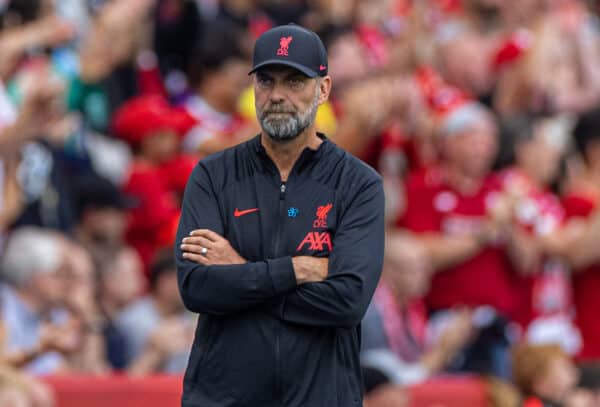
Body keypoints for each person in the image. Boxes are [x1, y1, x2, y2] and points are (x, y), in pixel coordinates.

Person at [176, 24, 385, 407]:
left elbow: (348, 302)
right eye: (266, 81)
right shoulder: (213, 175)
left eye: (294, 82)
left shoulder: (358, 184)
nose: (277, 96)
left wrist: (239, 268)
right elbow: (197, 287)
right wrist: (296, 270)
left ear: (323, 89)